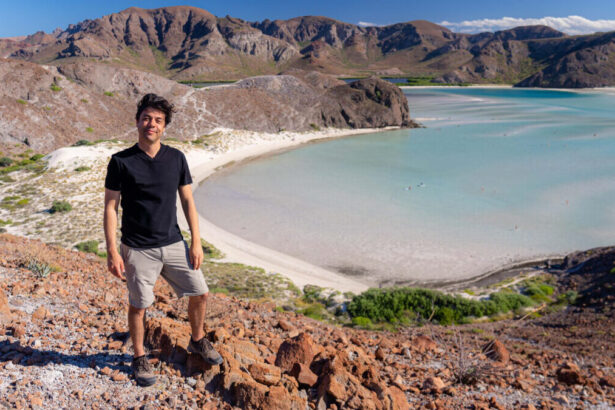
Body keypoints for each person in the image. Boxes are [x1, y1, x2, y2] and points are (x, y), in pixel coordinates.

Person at [103, 93, 223, 387]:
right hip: (137, 248)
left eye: (157, 120)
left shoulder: (176, 158)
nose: (151, 124)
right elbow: (110, 207)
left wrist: (196, 241)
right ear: (137, 122)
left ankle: (197, 340)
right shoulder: (121, 162)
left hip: (173, 242)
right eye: (146, 118)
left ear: (164, 126)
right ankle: (139, 357)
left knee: (200, 293)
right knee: (139, 305)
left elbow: (188, 201)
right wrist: (111, 251)